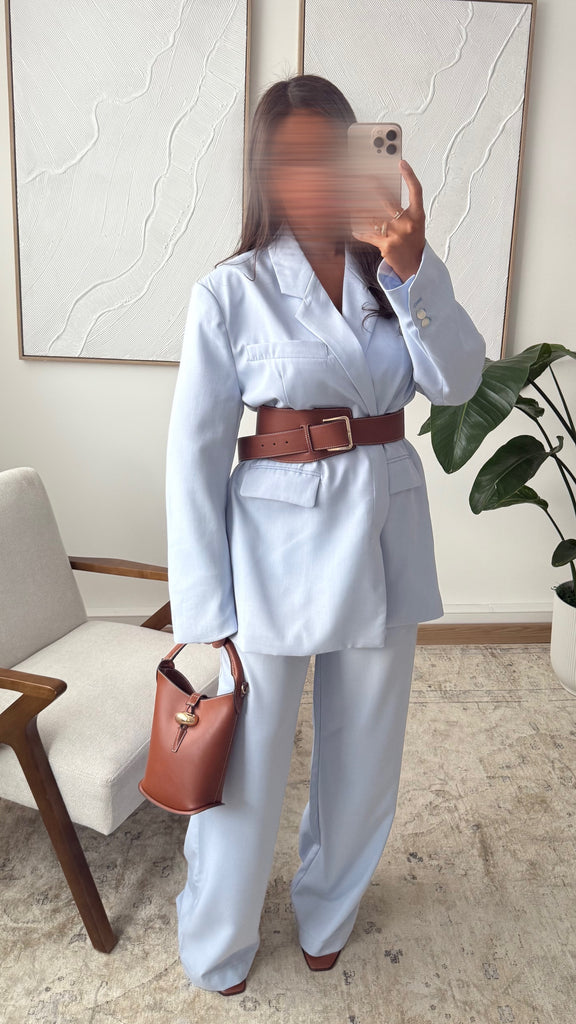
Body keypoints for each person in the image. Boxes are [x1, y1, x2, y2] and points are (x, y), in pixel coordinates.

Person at [166, 74, 486, 996]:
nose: (311, 176)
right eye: (291, 160)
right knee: (248, 759)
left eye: (328, 155)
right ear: (265, 172)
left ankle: (327, 913)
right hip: (274, 550)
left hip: (385, 531)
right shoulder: (230, 291)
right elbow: (193, 456)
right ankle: (219, 938)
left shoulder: (397, 271)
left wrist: (411, 270)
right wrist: (205, 610)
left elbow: (460, 383)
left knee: (365, 753)